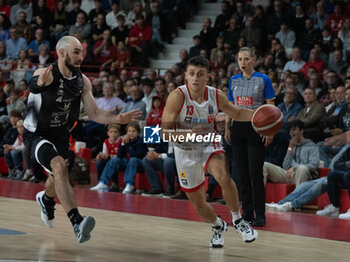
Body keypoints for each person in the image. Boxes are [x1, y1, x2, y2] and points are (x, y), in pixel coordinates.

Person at [22, 36, 141, 244]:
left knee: (57, 174)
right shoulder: (46, 74)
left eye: (82, 52)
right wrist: (37, 84)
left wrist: (117, 119)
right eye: (76, 52)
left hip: (60, 135)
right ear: (61, 53)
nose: (81, 56)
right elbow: (34, 85)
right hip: (37, 134)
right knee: (58, 166)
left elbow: (94, 113)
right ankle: (77, 222)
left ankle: (46, 199)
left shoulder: (82, 81)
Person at [162, 56, 258, 248]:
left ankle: (238, 220)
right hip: (184, 150)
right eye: (191, 74)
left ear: (208, 77)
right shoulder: (177, 96)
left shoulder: (216, 95)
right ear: (186, 77)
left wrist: (259, 114)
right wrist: (187, 134)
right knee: (198, 204)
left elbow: (237, 113)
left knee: (223, 176)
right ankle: (217, 225)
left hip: (208, 141)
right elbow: (165, 133)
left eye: (200, 74)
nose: (195, 78)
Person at [225, 47, 275, 227]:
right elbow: (230, 105)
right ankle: (246, 213)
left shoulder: (264, 79)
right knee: (242, 174)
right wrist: (227, 127)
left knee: (255, 173)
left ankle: (260, 215)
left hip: (256, 128)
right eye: (240, 59)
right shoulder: (233, 80)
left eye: (246, 59)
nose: (243, 62)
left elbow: (271, 107)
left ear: (254, 60)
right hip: (237, 127)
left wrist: (269, 132)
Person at [263, 120, 320, 186]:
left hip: (307, 176)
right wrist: (290, 148)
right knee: (264, 165)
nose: (292, 132)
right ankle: (258, 195)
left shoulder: (311, 145)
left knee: (301, 168)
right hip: (291, 175)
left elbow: (314, 164)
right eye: (290, 131)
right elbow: (285, 166)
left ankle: (297, 196)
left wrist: (295, 168)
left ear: (301, 131)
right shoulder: (292, 145)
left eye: (294, 130)